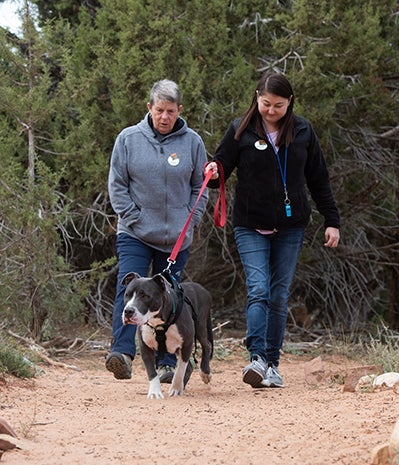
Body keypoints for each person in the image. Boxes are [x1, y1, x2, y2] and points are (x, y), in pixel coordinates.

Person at [205, 73, 340, 388]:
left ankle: (272, 364)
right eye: (266, 103)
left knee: (278, 295)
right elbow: (220, 169)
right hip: (250, 224)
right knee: (259, 290)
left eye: (278, 105)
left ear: (290, 102)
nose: (271, 110)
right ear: (257, 97)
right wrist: (213, 172)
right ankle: (256, 358)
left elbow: (319, 178)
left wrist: (332, 220)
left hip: (291, 227)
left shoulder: (303, 131)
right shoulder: (241, 130)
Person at [106, 79, 208, 384]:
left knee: (170, 298)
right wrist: (133, 216)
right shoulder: (128, 139)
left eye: (171, 111)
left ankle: (167, 362)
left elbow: (200, 188)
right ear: (149, 107)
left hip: (176, 239)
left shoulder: (193, 142)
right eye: (159, 110)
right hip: (135, 233)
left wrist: (188, 221)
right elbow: (117, 184)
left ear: (180, 110)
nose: (165, 117)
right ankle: (122, 353)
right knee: (131, 287)